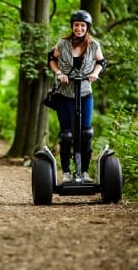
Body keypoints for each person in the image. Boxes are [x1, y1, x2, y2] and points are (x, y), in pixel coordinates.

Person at [48, 10, 106, 183]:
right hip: (65, 94)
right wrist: (59, 73)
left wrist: (96, 73)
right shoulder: (63, 43)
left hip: (85, 93)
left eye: (82, 25)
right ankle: (66, 172)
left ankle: (85, 172)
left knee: (86, 133)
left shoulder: (94, 45)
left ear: (87, 27)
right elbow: (51, 58)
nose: (79, 28)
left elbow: (101, 62)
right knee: (66, 134)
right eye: (76, 25)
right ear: (72, 27)